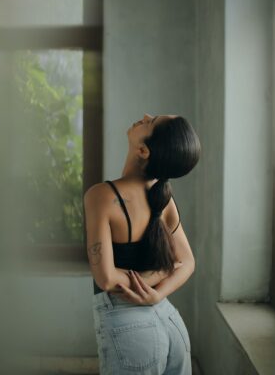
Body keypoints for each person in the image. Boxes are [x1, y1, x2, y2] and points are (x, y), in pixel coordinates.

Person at [83, 113, 200, 374]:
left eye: (151, 121)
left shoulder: (101, 196)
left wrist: (152, 286)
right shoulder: (162, 198)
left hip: (131, 329)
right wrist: (157, 291)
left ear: (143, 150)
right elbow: (187, 262)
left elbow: (107, 279)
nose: (145, 116)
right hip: (169, 320)